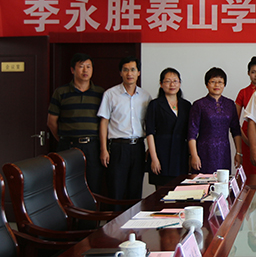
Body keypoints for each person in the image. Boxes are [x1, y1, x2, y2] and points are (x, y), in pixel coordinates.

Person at [47, 53, 105, 194]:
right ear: (72, 70)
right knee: (67, 185)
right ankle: (70, 210)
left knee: (93, 184)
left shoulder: (100, 93)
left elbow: (105, 122)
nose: (85, 70)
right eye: (81, 66)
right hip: (68, 145)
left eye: (88, 67)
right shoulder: (61, 92)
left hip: (92, 146)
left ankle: (92, 210)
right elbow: (51, 122)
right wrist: (64, 139)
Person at [98, 56, 152, 202]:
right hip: (118, 148)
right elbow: (104, 122)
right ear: (120, 73)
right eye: (126, 70)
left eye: (133, 70)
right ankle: (115, 218)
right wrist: (104, 149)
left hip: (138, 148)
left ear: (138, 73)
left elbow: (149, 125)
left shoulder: (145, 96)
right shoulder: (110, 94)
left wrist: (149, 148)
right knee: (116, 190)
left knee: (135, 190)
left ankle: (133, 218)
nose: (129, 74)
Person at [188, 67, 242, 174]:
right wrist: (194, 155)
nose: (217, 85)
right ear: (206, 84)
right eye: (213, 82)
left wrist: (239, 153)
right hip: (204, 152)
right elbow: (192, 133)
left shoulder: (230, 104)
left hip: (224, 152)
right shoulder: (199, 105)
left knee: (223, 181)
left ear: (224, 84)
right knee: (203, 181)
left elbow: (236, 130)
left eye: (220, 82)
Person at [145, 68, 192, 188]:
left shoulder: (186, 105)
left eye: (175, 81)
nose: (172, 85)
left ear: (180, 83)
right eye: (168, 81)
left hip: (180, 155)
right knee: (161, 192)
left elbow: (190, 132)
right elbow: (150, 132)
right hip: (161, 154)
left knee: (180, 192)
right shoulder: (155, 104)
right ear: (161, 84)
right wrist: (154, 158)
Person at [235, 56, 256, 175]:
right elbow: (235, 120)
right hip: (246, 134)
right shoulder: (243, 92)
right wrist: (246, 139)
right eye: (253, 72)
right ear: (248, 73)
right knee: (249, 170)